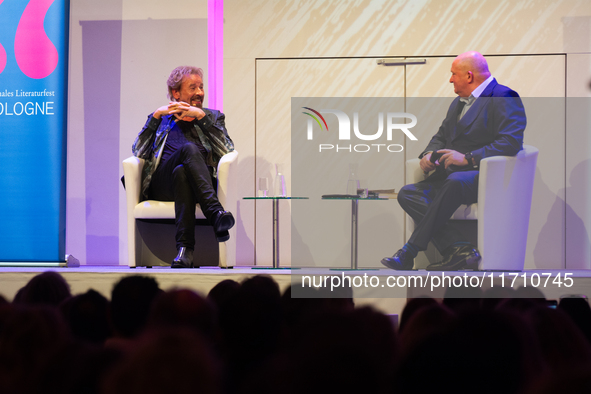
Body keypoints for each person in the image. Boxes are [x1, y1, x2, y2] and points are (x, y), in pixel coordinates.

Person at [381, 51, 526, 271]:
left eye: (453, 74)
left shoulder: (504, 96)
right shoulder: (458, 103)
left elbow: (511, 141)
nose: (450, 79)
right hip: (452, 178)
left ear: (469, 76)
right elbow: (441, 135)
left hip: (484, 176)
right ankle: (460, 249)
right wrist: (428, 154)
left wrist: (468, 159)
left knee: (456, 181)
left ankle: (409, 251)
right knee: (408, 193)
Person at [132, 66, 235, 268]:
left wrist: (201, 118)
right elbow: (138, 151)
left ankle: (184, 251)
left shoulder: (213, 117)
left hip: (198, 185)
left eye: (201, 87)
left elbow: (227, 150)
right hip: (162, 185)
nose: (199, 93)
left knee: (182, 172)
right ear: (175, 93)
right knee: (187, 150)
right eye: (193, 87)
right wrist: (155, 117)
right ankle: (215, 213)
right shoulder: (161, 119)